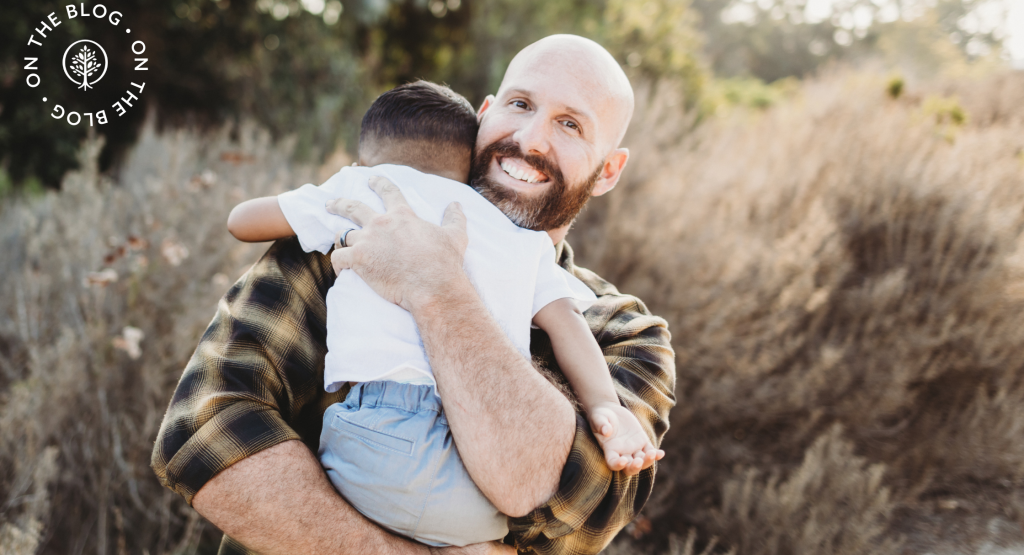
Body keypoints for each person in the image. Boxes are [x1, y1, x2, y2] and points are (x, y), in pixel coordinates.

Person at [152, 34, 676, 555]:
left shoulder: (624, 337)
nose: (531, 139)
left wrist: (438, 287)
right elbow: (206, 432)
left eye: (570, 124)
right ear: (487, 112)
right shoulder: (357, 233)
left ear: (608, 169)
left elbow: (566, 512)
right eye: (520, 104)